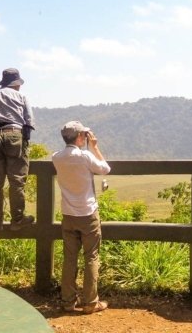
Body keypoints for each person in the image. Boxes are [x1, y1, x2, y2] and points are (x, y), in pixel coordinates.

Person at [52, 121, 111, 314]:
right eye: (83, 135)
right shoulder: (85, 156)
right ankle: (90, 303)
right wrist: (94, 147)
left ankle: (68, 301)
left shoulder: (56, 157)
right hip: (87, 214)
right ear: (79, 137)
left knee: (70, 258)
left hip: (68, 215)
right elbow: (105, 169)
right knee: (91, 256)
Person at [0, 68, 35, 231]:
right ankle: (17, 220)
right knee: (17, 181)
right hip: (14, 136)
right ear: (16, 84)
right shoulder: (21, 96)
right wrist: (24, 141)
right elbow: (29, 121)